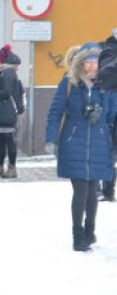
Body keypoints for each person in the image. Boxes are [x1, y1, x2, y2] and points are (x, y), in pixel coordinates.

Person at [45, 42, 117, 251]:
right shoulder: (69, 84)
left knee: (93, 191)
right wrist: (51, 139)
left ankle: (90, 231)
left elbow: (113, 117)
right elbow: (55, 111)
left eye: (96, 61)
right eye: (89, 61)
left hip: (100, 142)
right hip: (73, 141)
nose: (93, 65)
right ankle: (78, 235)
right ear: (81, 62)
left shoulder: (109, 87)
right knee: (80, 191)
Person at [0, 45, 25, 179]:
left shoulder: (7, 73)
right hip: (2, 111)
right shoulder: (3, 72)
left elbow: (7, 92)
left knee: (8, 140)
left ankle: (11, 168)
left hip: (6, 111)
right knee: (1, 140)